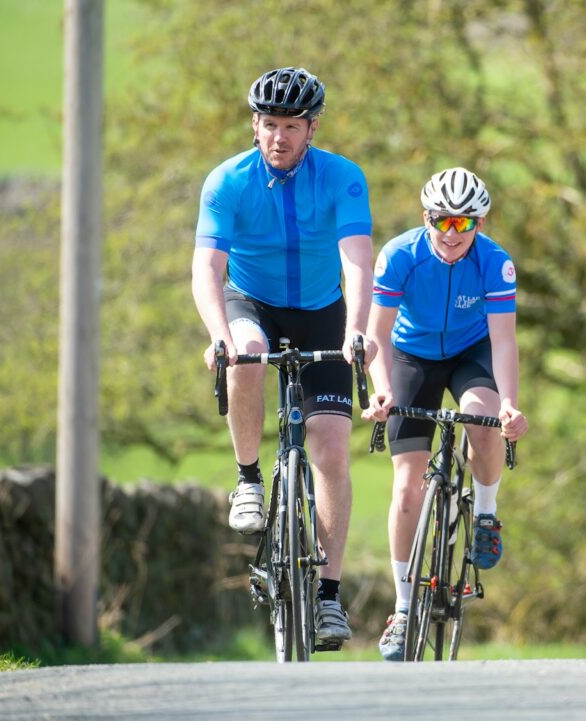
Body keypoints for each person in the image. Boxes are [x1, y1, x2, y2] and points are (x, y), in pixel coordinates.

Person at [191, 67, 374, 649]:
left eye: (291, 126)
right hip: (250, 302)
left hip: (323, 308)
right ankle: (247, 479)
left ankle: (327, 598)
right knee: (247, 353)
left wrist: (357, 330)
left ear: (311, 128)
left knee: (329, 446)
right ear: (254, 124)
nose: (278, 137)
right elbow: (207, 270)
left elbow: (357, 262)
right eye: (269, 124)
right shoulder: (227, 181)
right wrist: (218, 333)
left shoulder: (343, 178)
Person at [362, 167, 529, 661]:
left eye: (465, 224)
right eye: (442, 222)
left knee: (481, 419)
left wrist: (510, 403)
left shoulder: (495, 264)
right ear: (426, 218)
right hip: (410, 356)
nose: (452, 234)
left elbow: (503, 342)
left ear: (480, 224)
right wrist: (382, 391)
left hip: (470, 354)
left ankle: (485, 513)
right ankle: (404, 609)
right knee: (407, 487)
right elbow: (376, 338)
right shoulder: (399, 256)